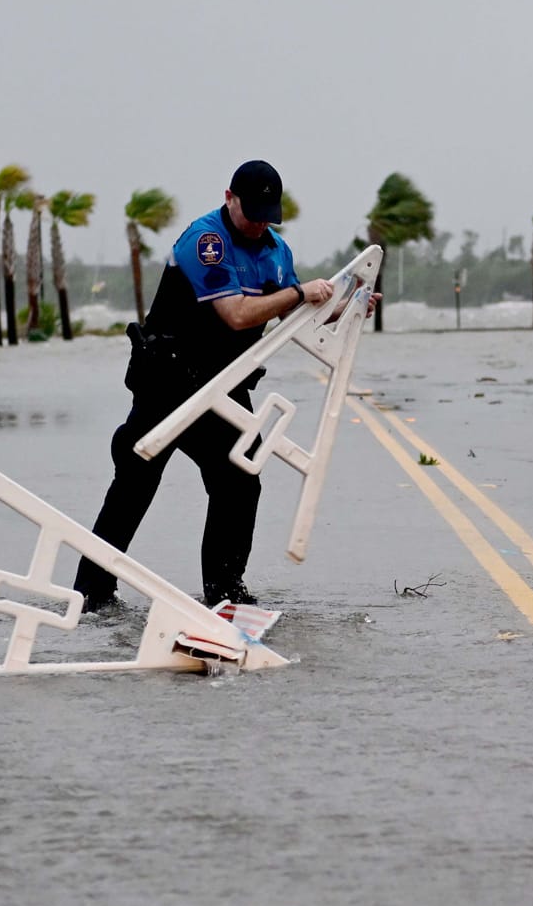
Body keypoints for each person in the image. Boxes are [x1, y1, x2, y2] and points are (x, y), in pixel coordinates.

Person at [73, 160, 337, 610]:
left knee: (240, 481)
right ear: (229, 197)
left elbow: (294, 313)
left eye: (265, 216)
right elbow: (236, 314)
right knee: (136, 481)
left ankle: (224, 593)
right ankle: (91, 595)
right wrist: (300, 293)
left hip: (224, 386)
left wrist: (345, 308)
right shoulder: (206, 240)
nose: (257, 224)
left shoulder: (275, 251)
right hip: (169, 383)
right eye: (250, 212)